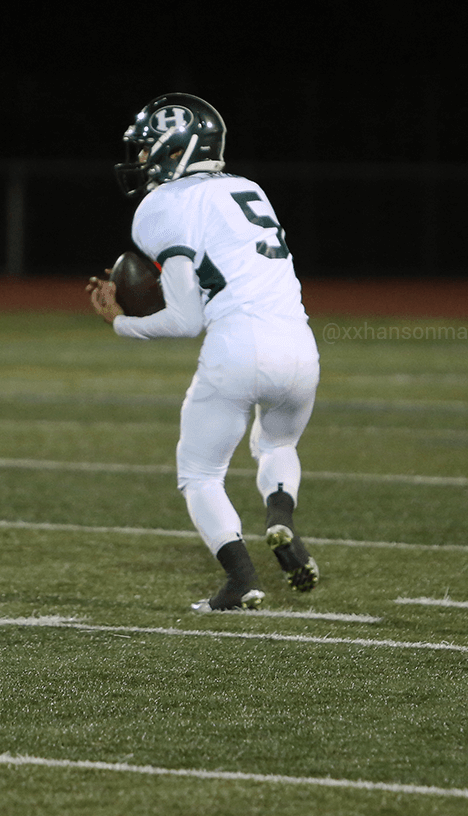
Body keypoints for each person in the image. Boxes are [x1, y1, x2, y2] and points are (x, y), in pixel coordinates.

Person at [87, 93, 321, 612]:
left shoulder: (161, 206)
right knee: (277, 444)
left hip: (238, 345)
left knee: (199, 473)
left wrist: (121, 322)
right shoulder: (249, 188)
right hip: (301, 345)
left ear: (177, 147)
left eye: (147, 148)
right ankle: (280, 517)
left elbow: (186, 319)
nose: (141, 159)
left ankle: (241, 582)